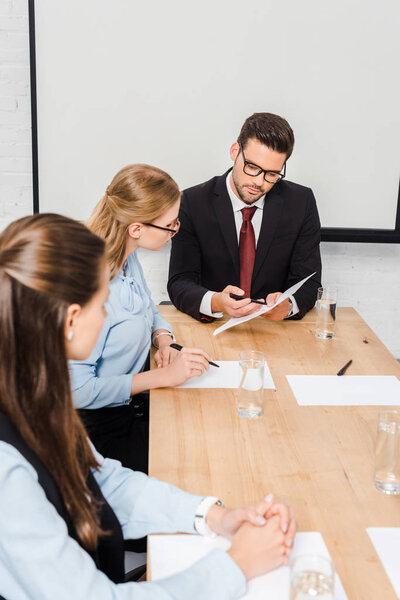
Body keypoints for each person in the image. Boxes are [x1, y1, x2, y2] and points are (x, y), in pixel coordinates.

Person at [0, 213, 296, 599]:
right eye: (103, 304)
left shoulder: (35, 393)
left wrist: (214, 516)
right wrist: (237, 565)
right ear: (72, 319)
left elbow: (101, 482)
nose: (108, 315)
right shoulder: (7, 469)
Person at [70, 164, 212, 474]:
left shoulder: (126, 255)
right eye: (170, 225)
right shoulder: (90, 286)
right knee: (189, 464)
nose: (176, 231)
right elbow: (77, 391)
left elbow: (148, 307)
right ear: (137, 228)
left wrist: (165, 341)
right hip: (93, 431)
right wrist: (162, 378)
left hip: (131, 407)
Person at [168, 112, 322, 322]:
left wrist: (288, 306)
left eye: (272, 174)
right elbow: (179, 282)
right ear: (234, 152)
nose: (259, 182)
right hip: (214, 326)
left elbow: (310, 282)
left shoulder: (300, 202)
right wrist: (216, 301)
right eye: (252, 167)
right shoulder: (192, 202)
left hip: (274, 330)